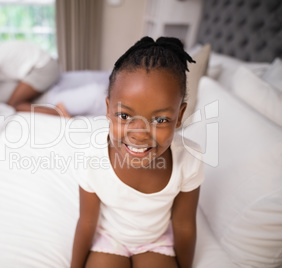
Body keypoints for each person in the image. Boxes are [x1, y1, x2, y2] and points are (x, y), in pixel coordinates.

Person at [71, 36, 204, 268]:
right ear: (108, 109)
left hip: (156, 241)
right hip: (109, 239)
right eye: (124, 116)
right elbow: (86, 221)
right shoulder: (91, 157)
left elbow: (184, 225)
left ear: (180, 116)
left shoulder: (189, 158)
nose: (140, 133)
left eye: (160, 119)